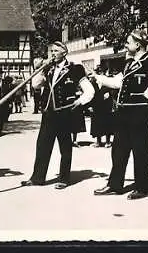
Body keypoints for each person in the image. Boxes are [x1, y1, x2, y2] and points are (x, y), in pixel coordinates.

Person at [93, 30, 148, 200]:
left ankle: (143, 187)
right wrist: (98, 77)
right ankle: (114, 185)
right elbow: (118, 82)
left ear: (138, 45)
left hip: (140, 113)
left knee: (140, 149)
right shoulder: (128, 63)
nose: (126, 45)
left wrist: (146, 96)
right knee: (118, 150)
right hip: (123, 113)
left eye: (128, 42)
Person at [21, 41, 95, 190]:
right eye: (51, 51)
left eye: (55, 51)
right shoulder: (48, 68)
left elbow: (89, 90)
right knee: (42, 145)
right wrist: (40, 70)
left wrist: (80, 101)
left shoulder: (75, 69)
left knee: (65, 147)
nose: (52, 54)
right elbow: (36, 85)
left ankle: (64, 178)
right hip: (49, 113)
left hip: (65, 113)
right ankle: (37, 178)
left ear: (64, 53)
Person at [89, 66, 114, 148]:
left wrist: (110, 94)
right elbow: (91, 95)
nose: (100, 74)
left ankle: (108, 141)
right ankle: (98, 142)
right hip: (96, 106)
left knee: (107, 123)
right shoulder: (93, 83)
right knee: (96, 123)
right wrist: (90, 106)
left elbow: (113, 92)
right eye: (98, 72)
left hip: (106, 106)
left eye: (101, 72)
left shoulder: (108, 83)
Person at [0, 68, 13, 137]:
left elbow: (8, 92)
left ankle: (0, 129)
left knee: (2, 116)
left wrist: (10, 102)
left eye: (1, 74)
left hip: (4, 102)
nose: (1, 75)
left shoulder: (5, 82)